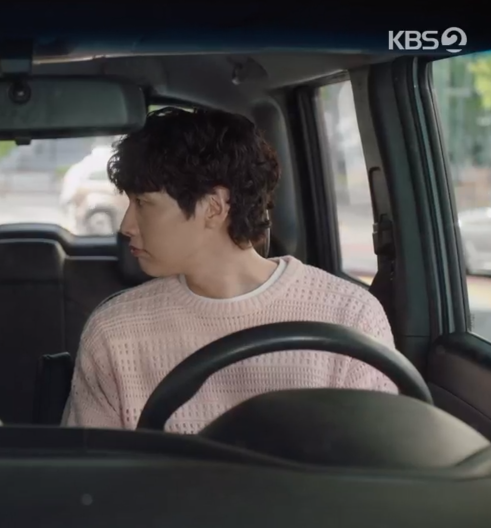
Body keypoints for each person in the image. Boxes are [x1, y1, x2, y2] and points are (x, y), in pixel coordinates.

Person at [62, 107, 397, 433]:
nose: (126, 225)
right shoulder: (114, 331)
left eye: (142, 203)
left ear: (213, 207)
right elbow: (90, 464)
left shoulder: (349, 316)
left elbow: (381, 458)